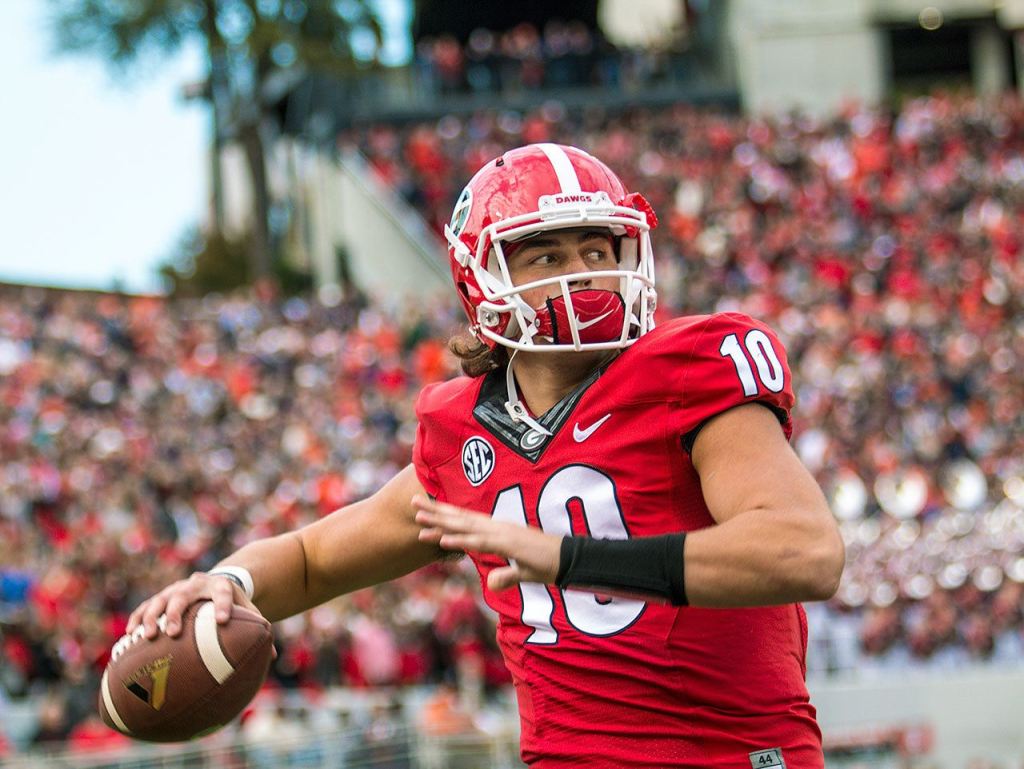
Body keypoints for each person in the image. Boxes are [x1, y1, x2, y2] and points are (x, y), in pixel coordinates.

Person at [126, 143, 845, 768]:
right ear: (482, 278)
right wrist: (229, 581)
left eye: (599, 249)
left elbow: (802, 551)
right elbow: (315, 559)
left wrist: (565, 555)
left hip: (727, 755)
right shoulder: (467, 430)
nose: (585, 273)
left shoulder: (689, 369)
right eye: (549, 254)